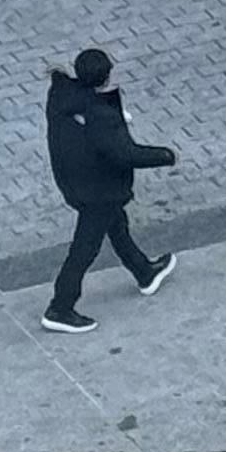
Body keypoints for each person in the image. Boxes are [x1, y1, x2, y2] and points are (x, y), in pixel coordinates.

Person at [41, 46, 177, 332]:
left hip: (74, 181)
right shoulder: (99, 116)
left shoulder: (62, 95)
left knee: (117, 226)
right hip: (98, 190)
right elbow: (124, 154)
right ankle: (60, 308)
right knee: (84, 249)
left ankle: (144, 272)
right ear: (105, 77)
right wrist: (164, 155)